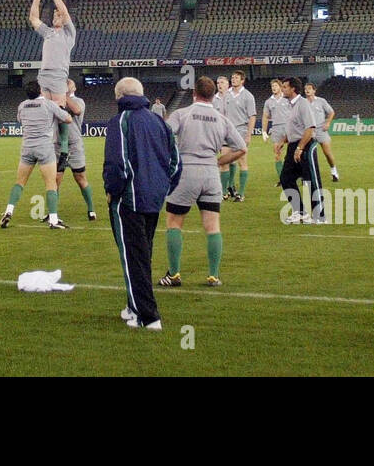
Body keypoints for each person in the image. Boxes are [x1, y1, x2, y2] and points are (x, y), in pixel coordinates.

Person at [104, 77, 180, 330]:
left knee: (133, 257)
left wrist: (111, 191)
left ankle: (148, 316)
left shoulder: (120, 122)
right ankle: (133, 305)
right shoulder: (160, 122)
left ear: (119, 97)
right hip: (153, 200)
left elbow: (117, 164)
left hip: (129, 200)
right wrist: (162, 189)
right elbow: (176, 163)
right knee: (142, 254)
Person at [159, 77, 246, 288]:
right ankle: (213, 275)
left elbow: (163, 135)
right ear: (213, 94)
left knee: (174, 223)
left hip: (186, 172)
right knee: (212, 226)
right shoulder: (221, 118)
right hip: (210, 173)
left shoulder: (182, 114)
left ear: (194, 93)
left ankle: (174, 274)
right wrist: (218, 162)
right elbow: (242, 148)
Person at [0, 80, 73, 230]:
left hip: (27, 147)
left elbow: (21, 120)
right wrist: (58, 110)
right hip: (44, 148)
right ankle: (53, 220)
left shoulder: (22, 105)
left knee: (19, 183)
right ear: (40, 90)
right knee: (50, 184)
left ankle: (8, 211)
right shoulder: (48, 104)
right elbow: (68, 119)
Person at [28, 0, 76, 156]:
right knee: (45, 111)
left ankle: (64, 149)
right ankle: (47, 146)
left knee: (60, 111)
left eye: (59, 16)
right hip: (43, 75)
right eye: (55, 15)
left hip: (57, 76)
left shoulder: (69, 34)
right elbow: (33, 18)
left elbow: (64, 10)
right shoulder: (48, 32)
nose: (57, 16)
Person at [278, 77, 323, 225]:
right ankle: (301, 212)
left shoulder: (303, 104)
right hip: (294, 145)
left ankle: (320, 215)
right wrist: (283, 141)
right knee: (286, 178)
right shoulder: (291, 105)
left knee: (311, 180)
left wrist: (300, 148)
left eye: (284, 87)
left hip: (305, 144)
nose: (282, 89)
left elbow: (310, 128)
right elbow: (294, 128)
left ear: (293, 89)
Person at [52, 79, 96, 221]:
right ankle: (53, 213)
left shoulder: (78, 101)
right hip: (58, 145)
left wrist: (64, 95)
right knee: (55, 180)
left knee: (80, 178)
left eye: (68, 84)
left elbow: (77, 111)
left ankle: (91, 209)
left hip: (75, 145)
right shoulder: (55, 101)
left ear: (74, 87)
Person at [222, 71, 257, 202]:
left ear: (242, 80)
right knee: (225, 161)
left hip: (241, 132)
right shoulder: (227, 94)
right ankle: (225, 192)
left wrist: (249, 135)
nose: (233, 79)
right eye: (232, 77)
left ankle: (241, 194)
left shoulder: (248, 96)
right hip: (227, 133)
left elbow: (252, 116)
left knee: (242, 161)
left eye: (236, 77)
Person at [304, 82, 339, 181]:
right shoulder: (303, 103)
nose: (307, 90)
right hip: (309, 131)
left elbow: (331, 112)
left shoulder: (321, 101)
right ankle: (306, 176)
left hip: (321, 130)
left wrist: (327, 123)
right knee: (306, 154)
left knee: (327, 152)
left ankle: (334, 171)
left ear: (314, 90)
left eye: (309, 88)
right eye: (306, 88)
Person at [262, 77, 290, 183]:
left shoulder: (287, 98)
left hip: (288, 127)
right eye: (272, 86)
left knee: (293, 152)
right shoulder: (269, 101)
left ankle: (299, 174)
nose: (273, 88)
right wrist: (264, 131)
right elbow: (265, 116)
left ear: (280, 87)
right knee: (277, 153)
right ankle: (282, 178)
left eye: (275, 86)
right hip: (276, 128)